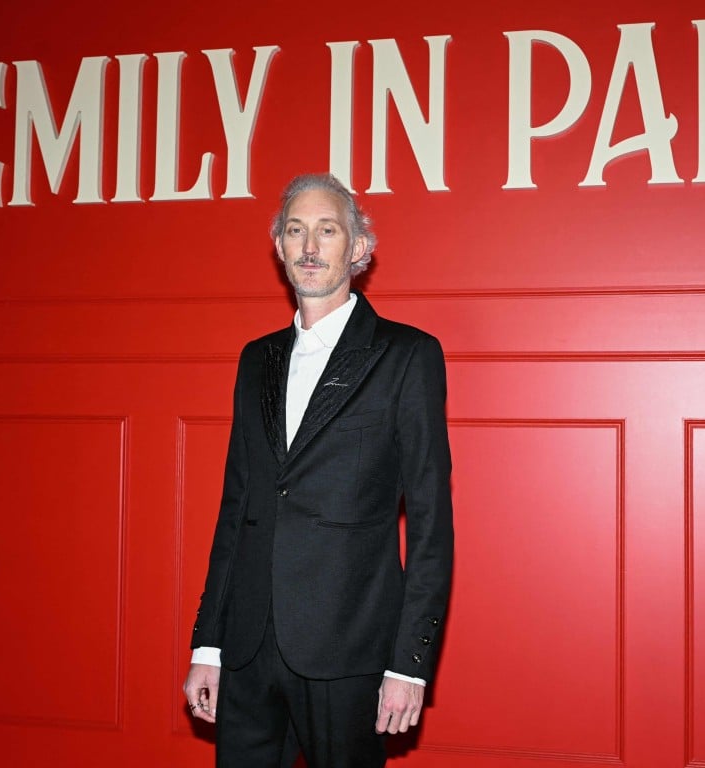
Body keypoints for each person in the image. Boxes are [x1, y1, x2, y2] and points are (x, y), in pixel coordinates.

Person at [183, 173, 453, 768]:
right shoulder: (257, 360)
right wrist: (210, 641)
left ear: (358, 248)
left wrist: (409, 661)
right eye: (296, 231)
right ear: (279, 247)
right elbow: (237, 510)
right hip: (249, 648)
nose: (310, 246)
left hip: (349, 651)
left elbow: (432, 524)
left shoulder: (406, 355)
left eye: (327, 230)